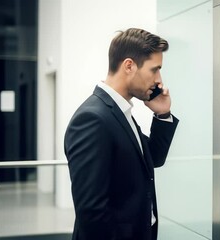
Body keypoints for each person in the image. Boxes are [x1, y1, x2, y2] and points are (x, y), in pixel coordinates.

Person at [64, 28, 179, 240]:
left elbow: (153, 158)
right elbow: (91, 213)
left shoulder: (120, 112)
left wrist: (163, 115)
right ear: (129, 66)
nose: (159, 80)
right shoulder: (92, 119)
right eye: (155, 70)